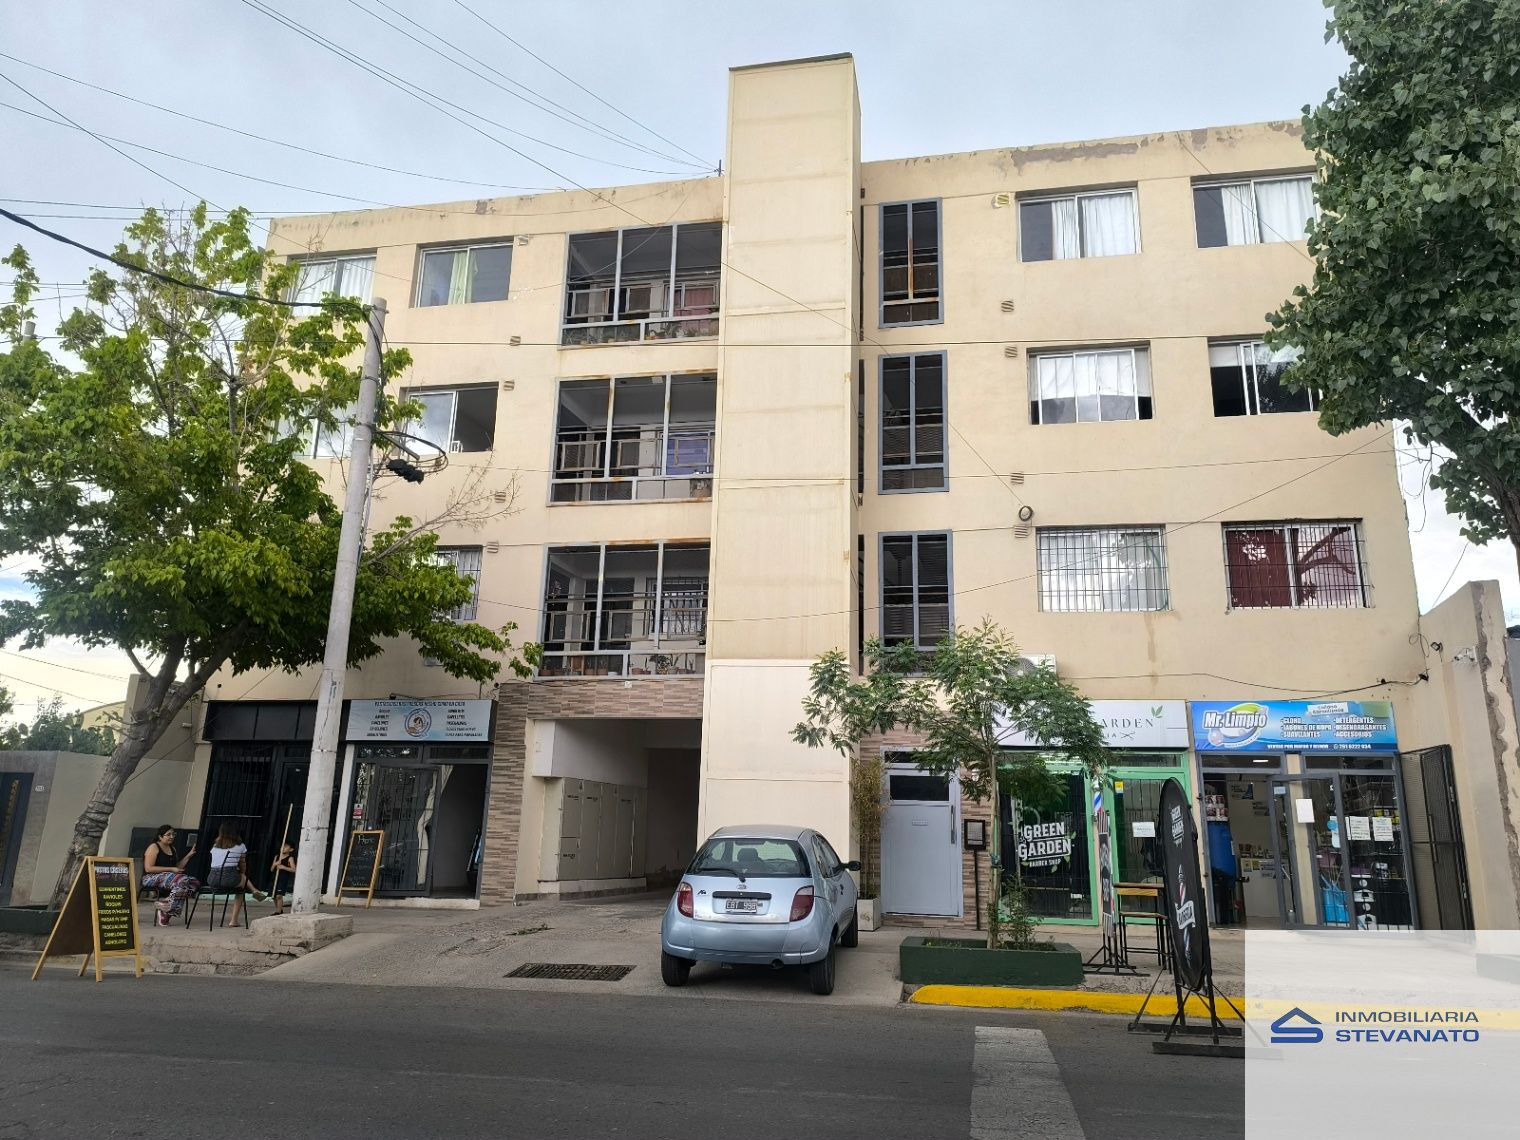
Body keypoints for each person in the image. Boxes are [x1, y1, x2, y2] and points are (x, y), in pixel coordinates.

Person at [206, 821, 268, 927]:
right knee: (241, 886)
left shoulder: (215, 846)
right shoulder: (240, 846)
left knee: (241, 879)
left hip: (212, 879)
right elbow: (243, 864)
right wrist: (242, 872)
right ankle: (234, 920)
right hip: (229, 878)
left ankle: (254, 890)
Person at [141, 825, 199, 927]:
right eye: (168, 835)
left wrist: (189, 855)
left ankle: (166, 904)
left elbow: (177, 867)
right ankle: (167, 909)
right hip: (150, 878)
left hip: (170, 878)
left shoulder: (173, 849)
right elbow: (148, 868)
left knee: (194, 883)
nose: (172, 836)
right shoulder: (154, 847)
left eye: (173, 834)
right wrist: (171, 869)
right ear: (160, 837)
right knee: (182, 880)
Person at [269, 842, 297, 915]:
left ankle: (278, 912)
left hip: (283, 879)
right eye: (282, 846)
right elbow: (271, 869)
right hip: (274, 878)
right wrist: (275, 864)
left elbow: (294, 870)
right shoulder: (277, 857)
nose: (283, 848)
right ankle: (279, 909)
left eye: (286, 847)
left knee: (279, 895)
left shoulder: (290, 858)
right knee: (273, 896)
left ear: (291, 849)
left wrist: (283, 867)